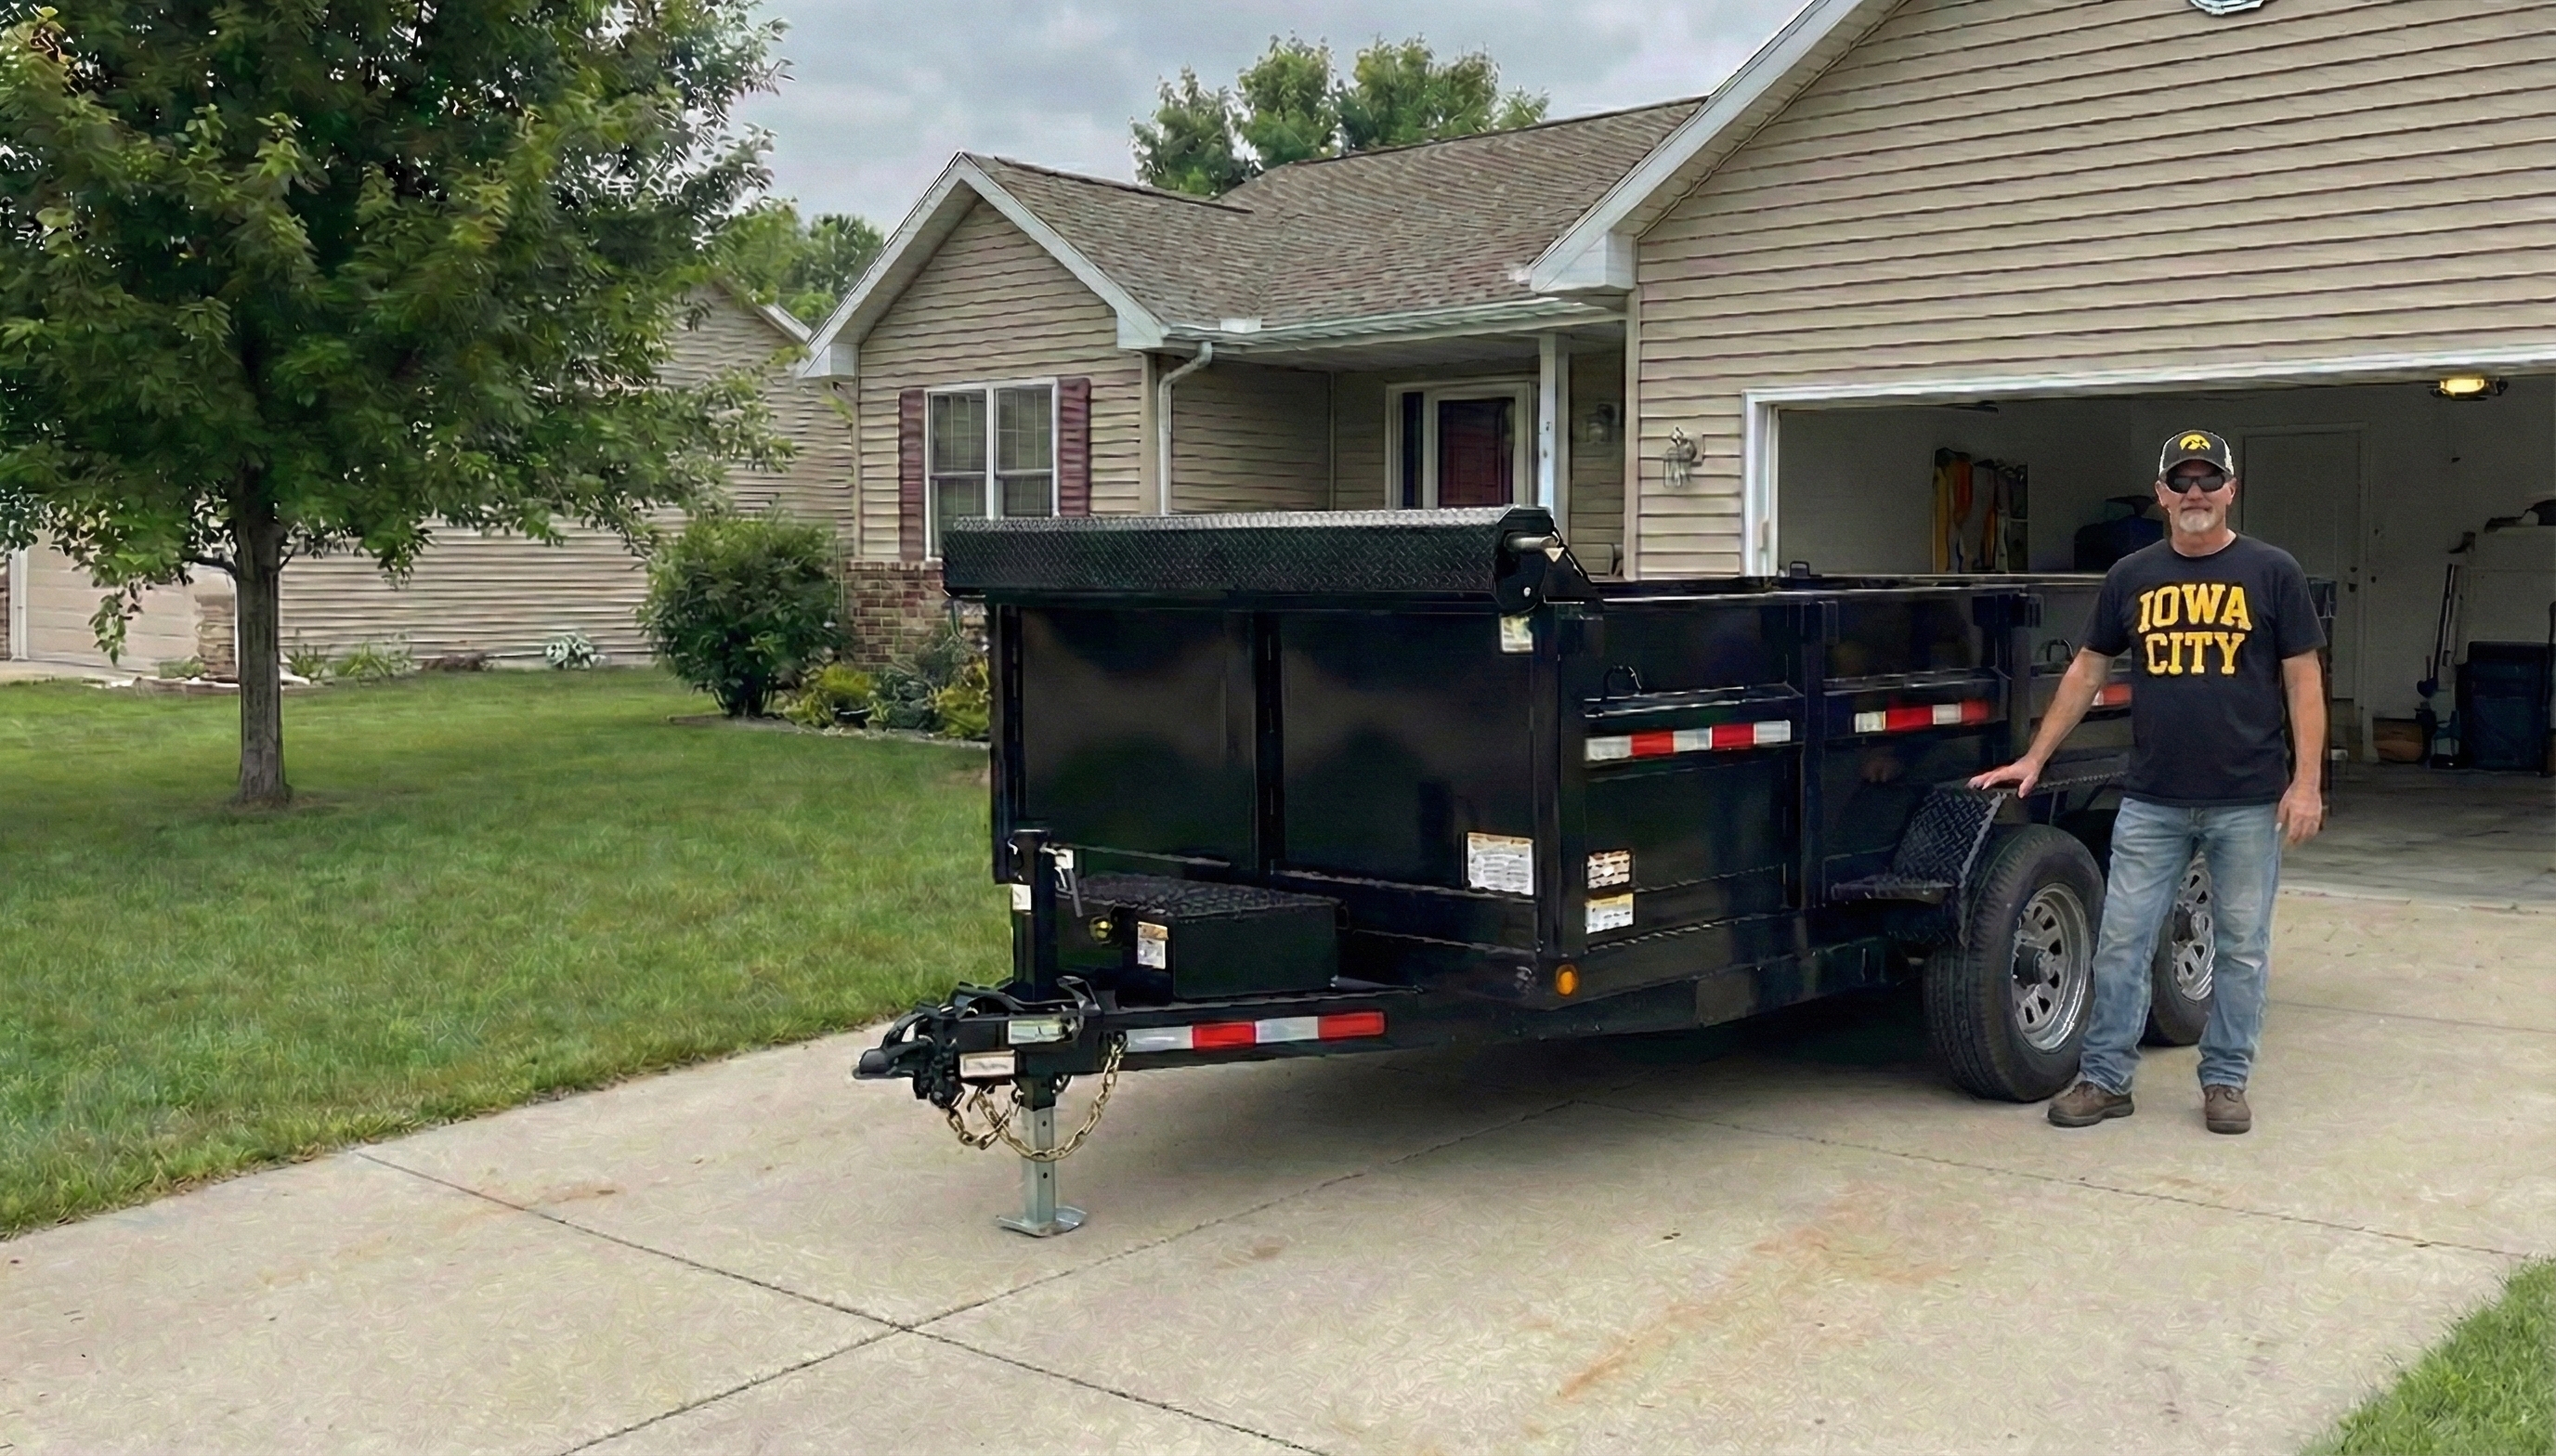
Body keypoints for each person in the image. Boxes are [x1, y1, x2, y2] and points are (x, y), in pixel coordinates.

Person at [1972, 429, 2327, 1136]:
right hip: (2152, 798)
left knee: (2242, 946)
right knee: (2122, 943)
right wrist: (2035, 755)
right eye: (2181, 482)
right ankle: (2105, 1080)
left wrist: (2307, 782)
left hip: (2248, 798)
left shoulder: (2272, 571)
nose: (2195, 495)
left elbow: (2303, 679)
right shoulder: (2132, 575)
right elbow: (2086, 670)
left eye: (2208, 481)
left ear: (2231, 489)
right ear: (2161, 495)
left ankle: (2225, 1080)